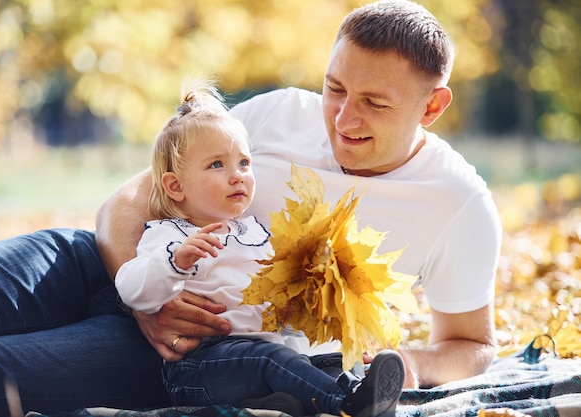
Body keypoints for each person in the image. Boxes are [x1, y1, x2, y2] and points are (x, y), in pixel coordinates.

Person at [0, 1, 501, 416]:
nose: (341, 119)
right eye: (335, 88)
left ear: (432, 106)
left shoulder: (459, 204)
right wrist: (142, 296)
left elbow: (471, 344)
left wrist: (412, 365)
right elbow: (127, 198)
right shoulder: (278, 113)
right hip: (102, 262)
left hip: (190, 349)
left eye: (374, 104)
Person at [113, 77, 405, 417]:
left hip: (268, 356)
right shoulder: (168, 236)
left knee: (326, 356)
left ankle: (336, 391)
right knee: (271, 360)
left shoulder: (257, 234)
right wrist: (174, 264)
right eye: (217, 165)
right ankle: (349, 405)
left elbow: (279, 302)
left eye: (244, 163)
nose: (237, 175)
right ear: (176, 186)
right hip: (203, 366)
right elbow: (131, 289)